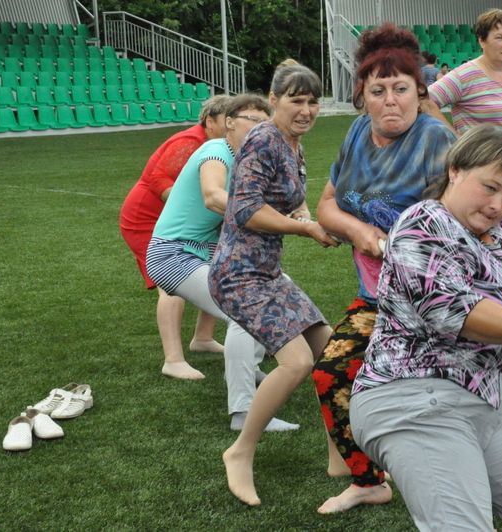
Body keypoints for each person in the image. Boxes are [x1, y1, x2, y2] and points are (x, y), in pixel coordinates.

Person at [350, 124, 502, 531]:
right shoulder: (419, 225)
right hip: (410, 401)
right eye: (490, 187)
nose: (498, 205)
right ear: (456, 170)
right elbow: (455, 312)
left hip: (484, 407)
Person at [311, 23, 456, 514]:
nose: (391, 100)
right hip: (376, 297)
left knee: (431, 397)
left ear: (419, 91)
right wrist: (359, 231)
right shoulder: (356, 135)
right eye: (378, 91)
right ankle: (368, 479)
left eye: (401, 89)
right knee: (331, 374)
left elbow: (462, 231)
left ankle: (452, 478)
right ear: (362, 97)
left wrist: (401, 243)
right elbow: (326, 207)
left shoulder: (438, 141)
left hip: (429, 302)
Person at [208, 63, 338, 506]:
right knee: (298, 361)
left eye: (312, 101)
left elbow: (294, 200)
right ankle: (240, 451)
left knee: (332, 351)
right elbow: (243, 210)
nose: (306, 110)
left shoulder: (293, 144)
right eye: (295, 100)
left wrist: (313, 221)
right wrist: (303, 230)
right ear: (274, 99)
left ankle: (341, 452)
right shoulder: (263, 139)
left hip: (266, 273)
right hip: (239, 274)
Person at [144, 94, 297, 432]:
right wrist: (270, 216)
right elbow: (214, 196)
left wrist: (294, 210)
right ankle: (243, 412)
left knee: (277, 286)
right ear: (229, 122)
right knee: (245, 311)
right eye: (251, 121)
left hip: (205, 251)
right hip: (174, 254)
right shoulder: (216, 151)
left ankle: (247, 367)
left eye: (264, 123)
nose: (259, 129)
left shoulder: (246, 159)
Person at [120, 95, 237, 380]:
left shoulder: (226, 148)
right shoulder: (189, 144)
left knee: (213, 268)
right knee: (171, 282)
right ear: (210, 122)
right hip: (150, 219)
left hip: (195, 224)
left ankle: (203, 338)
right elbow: (157, 180)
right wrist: (192, 208)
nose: (236, 126)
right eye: (229, 121)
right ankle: (173, 360)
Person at [427, 8, 502, 233]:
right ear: (482, 41)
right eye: (499, 37)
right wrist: (456, 139)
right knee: (481, 235)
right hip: (483, 176)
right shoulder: (466, 75)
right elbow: (425, 102)